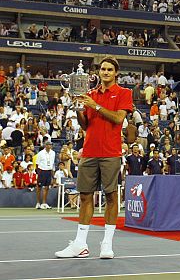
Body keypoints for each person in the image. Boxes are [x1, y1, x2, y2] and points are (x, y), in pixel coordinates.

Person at [56, 57, 133, 260]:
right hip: (89, 152)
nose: (105, 72)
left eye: (109, 69)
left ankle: (106, 243)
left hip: (110, 153)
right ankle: (80, 245)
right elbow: (85, 125)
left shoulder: (124, 93)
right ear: (98, 72)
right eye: (102, 69)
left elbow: (118, 118)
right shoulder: (89, 94)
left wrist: (96, 105)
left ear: (116, 73)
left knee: (110, 197)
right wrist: (79, 108)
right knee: (84, 196)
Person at [35, 141, 56, 209]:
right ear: (45, 145)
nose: (50, 146)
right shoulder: (40, 153)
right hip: (42, 171)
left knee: (47, 187)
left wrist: (53, 174)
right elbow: (37, 164)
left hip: (49, 171)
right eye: (48, 145)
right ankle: (38, 203)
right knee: (39, 187)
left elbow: (52, 163)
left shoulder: (53, 153)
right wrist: (39, 172)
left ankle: (44, 203)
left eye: (51, 145)